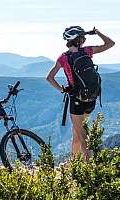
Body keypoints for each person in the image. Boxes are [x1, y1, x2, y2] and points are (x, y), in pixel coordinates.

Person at [46, 26, 115, 160]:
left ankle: (89, 169)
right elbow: (110, 44)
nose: (84, 39)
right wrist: (97, 32)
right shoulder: (87, 51)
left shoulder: (63, 58)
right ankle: (74, 161)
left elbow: (49, 77)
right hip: (91, 99)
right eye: (82, 37)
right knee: (76, 132)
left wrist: (62, 90)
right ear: (79, 39)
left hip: (76, 99)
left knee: (82, 135)